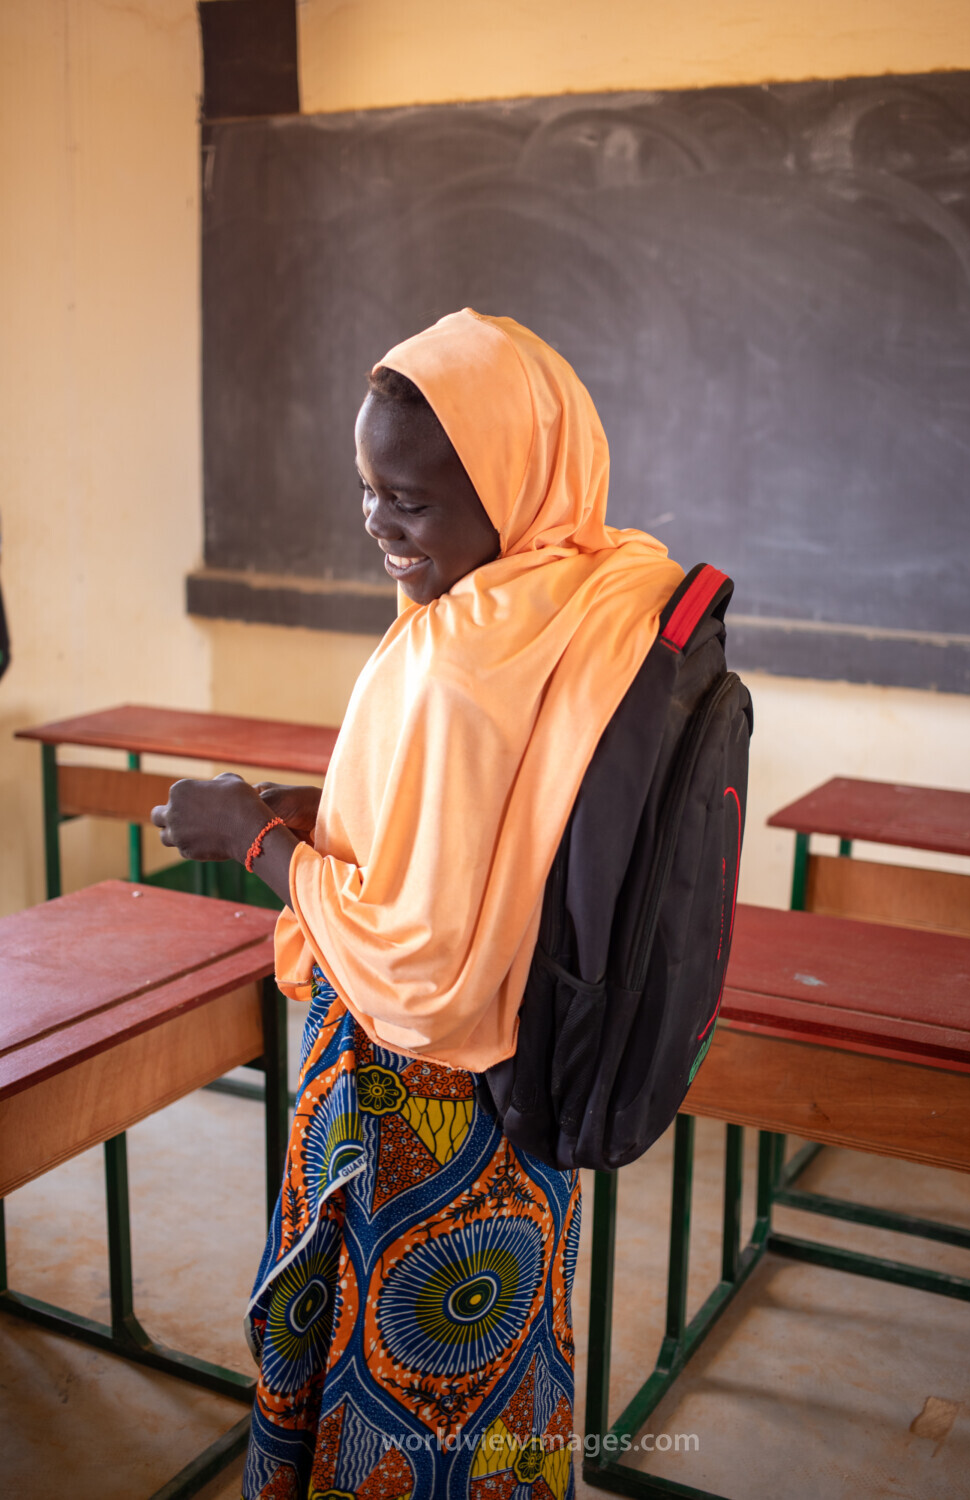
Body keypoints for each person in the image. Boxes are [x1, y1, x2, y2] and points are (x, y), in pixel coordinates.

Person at [152, 309, 684, 1499]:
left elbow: (420, 959)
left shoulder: (457, 658)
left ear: (513, 486)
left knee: (391, 1385)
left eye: (411, 500)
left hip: (416, 1109)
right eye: (367, 489)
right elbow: (501, 812)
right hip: (531, 1084)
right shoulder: (595, 590)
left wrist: (253, 842)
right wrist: (313, 796)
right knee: (496, 1375)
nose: (376, 523)